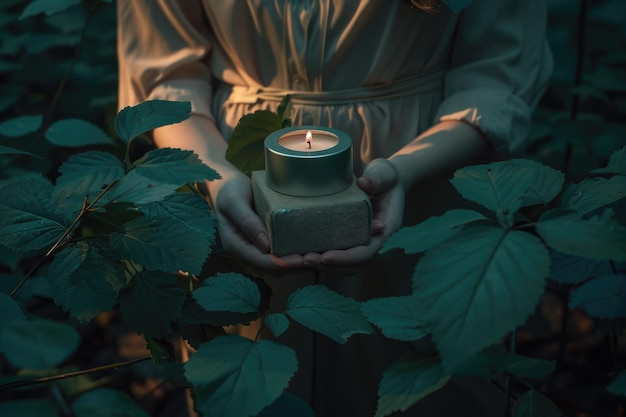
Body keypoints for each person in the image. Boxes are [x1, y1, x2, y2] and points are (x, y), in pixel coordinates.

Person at [117, 1, 553, 415]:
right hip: (234, 167)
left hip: (425, 175)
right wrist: (217, 179)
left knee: (416, 379)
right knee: (248, 383)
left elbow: (497, 76)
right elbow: (166, 76)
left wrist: (403, 173)